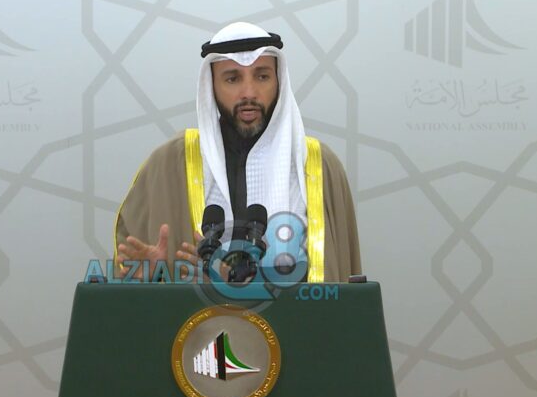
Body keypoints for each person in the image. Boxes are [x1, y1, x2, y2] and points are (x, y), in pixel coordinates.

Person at [114, 22, 360, 282]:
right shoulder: (170, 163)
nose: (249, 93)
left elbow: (340, 274)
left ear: (279, 80)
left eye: (262, 77)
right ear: (211, 86)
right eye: (233, 79)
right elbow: (133, 266)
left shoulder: (318, 165)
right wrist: (152, 279)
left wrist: (233, 281)